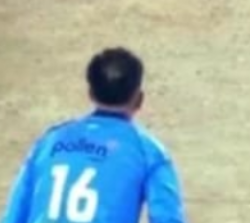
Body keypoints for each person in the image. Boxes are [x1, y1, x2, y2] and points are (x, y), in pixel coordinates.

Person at [0, 47, 186, 223]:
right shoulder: (149, 152)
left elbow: (13, 217)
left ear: (90, 93)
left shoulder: (49, 142)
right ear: (139, 99)